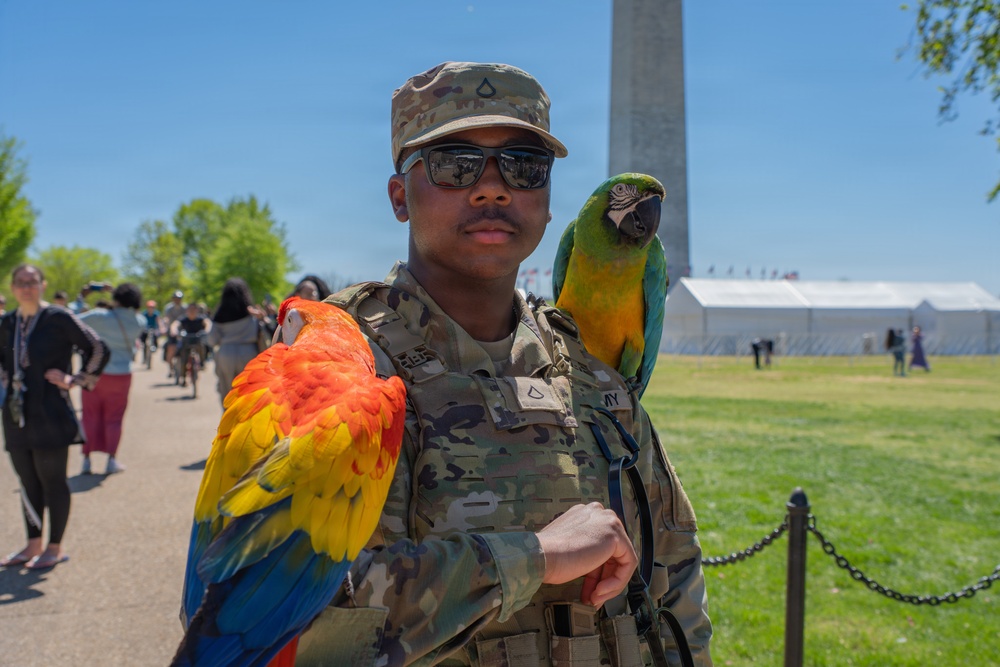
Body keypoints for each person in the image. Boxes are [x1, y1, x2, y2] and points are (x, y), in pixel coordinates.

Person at [288, 62, 712, 665]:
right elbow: (291, 622)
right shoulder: (334, 363)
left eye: (524, 165)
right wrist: (535, 557)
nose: (493, 189)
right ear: (399, 197)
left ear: (548, 202)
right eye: (454, 163)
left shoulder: (591, 372)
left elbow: (676, 582)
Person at [0, 264, 108, 570]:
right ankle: (32, 544)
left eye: (32, 282)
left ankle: (54, 547)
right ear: (13, 287)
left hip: (51, 413)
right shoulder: (6, 322)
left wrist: (75, 379)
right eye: (21, 282)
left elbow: (98, 348)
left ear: (42, 285)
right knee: (27, 481)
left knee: (53, 481)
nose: (27, 287)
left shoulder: (58, 318)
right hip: (16, 414)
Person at [78, 283, 145, 475]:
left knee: (89, 416)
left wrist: (82, 297)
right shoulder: (139, 321)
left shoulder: (100, 316)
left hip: (95, 373)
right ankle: (111, 460)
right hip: (122, 375)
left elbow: (70, 320)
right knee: (114, 418)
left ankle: (86, 460)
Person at [207, 278, 266, 405]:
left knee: (227, 392)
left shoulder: (219, 314)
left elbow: (212, 340)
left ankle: (229, 416)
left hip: (225, 353)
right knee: (249, 393)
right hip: (249, 353)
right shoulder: (252, 313)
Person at [170, 302, 210, 388]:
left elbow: (207, 323)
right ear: (187, 310)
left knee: (202, 346)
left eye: (194, 309)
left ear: (197, 310)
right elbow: (175, 324)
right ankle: (183, 377)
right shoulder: (183, 319)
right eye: (190, 309)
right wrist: (174, 331)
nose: (192, 311)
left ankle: (202, 363)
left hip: (198, 340)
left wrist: (207, 331)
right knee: (183, 358)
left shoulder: (201, 318)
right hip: (186, 341)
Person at [163, 290, 186, 373]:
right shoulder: (169, 308)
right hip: (172, 331)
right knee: (171, 349)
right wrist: (165, 327)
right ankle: (171, 368)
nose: (177, 300)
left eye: (179, 298)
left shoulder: (185, 308)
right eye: (176, 298)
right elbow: (166, 318)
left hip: (183, 330)